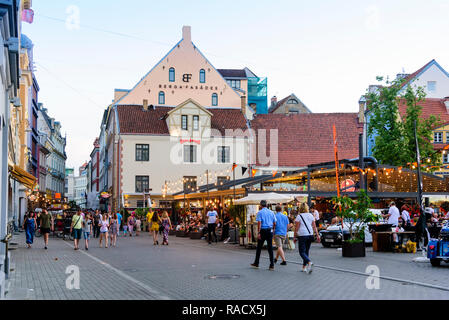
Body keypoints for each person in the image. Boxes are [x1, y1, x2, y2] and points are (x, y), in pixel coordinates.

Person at [294, 203, 320, 273]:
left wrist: (294, 236)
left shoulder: (299, 216)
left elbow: (296, 228)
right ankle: (304, 267)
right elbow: (314, 226)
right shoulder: (311, 215)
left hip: (302, 235)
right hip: (310, 234)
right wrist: (317, 235)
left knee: (301, 252)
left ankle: (309, 262)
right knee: (306, 251)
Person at [251, 200, 277, 271]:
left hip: (263, 230)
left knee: (259, 247)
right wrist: (273, 229)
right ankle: (272, 265)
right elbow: (274, 222)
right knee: (270, 248)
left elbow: (259, 222)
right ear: (266, 205)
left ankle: (257, 263)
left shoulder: (260, 212)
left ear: (260, 205)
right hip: (270, 230)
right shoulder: (271, 212)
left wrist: (259, 232)